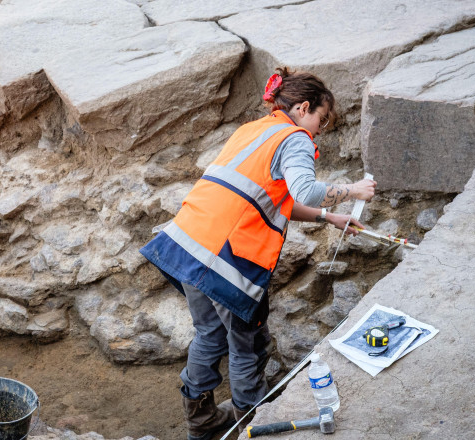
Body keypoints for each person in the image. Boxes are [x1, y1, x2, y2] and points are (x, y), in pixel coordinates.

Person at [139, 67, 376, 440]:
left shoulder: (252, 130)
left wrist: (328, 217)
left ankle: (201, 424)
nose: (319, 129)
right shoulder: (295, 138)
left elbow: (273, 198)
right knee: (249, 343)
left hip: (188, 242)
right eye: (321, 119)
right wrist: (354, 190)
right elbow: (305, 190)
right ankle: (250, 425)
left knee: (209, 335)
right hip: (226, 259)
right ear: (302, 108)